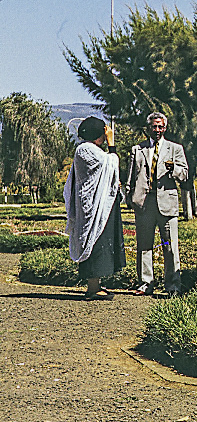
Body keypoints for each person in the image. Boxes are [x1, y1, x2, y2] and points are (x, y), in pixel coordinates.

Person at [124, 112, 189, 297]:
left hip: (167, 204)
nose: (157, 130)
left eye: (160, 126)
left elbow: (185, 174)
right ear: (148, 128)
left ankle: (173, 286)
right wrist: (129, 197)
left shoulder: (175, 148)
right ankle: (145, 283)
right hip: (145, 204)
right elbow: (131, 176)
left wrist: (173, 169)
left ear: (165, 128)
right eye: (154, 126)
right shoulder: (138, 149)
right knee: (144, 245)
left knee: (169, 246)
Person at [64, 117, 125, 301]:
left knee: (100, 241)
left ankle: (96, 285)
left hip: (99, 204)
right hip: (92, 207)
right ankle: (93, 288)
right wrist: (112, 144)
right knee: (95, 242)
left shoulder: (91, 150)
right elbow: (111, 163)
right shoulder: (86, 149)